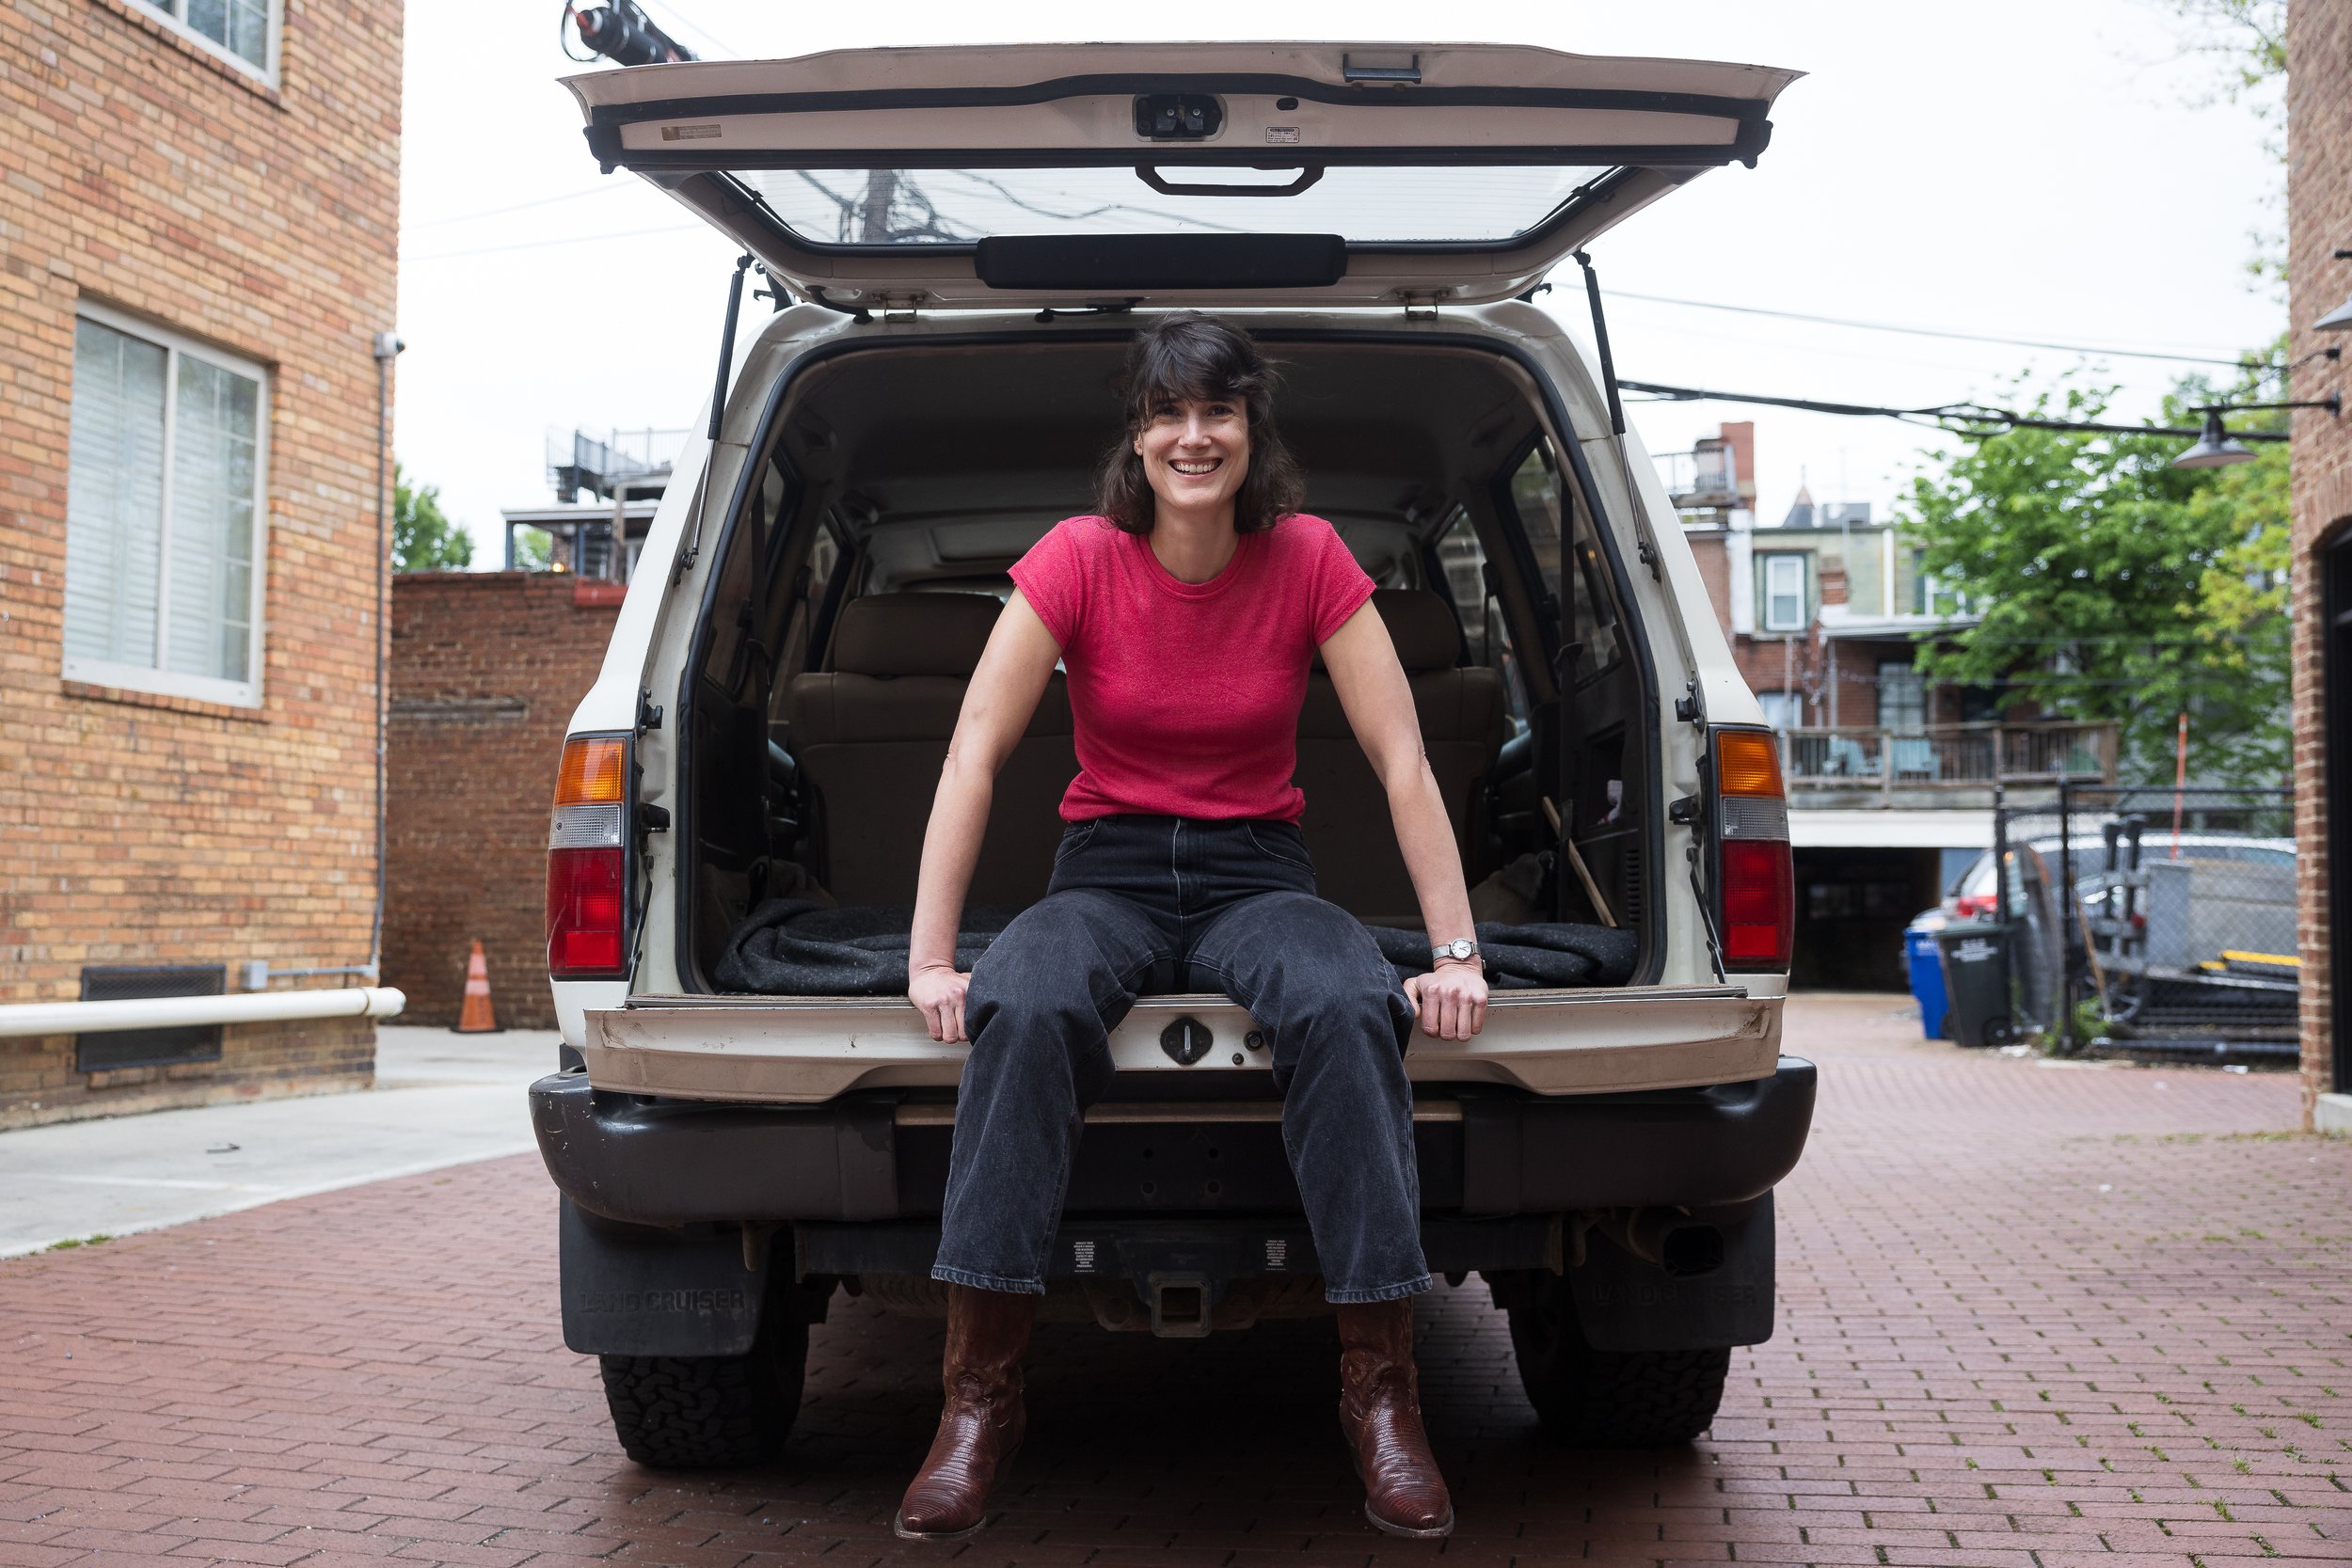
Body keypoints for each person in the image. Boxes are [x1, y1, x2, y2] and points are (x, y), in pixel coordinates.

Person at [894, 312, 1488, 1543]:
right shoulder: (1076, 557)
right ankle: (976, 1402)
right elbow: (973, 751)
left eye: (1217, 411)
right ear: (1138, 435)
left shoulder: (1310, 556)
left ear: (1250, 430)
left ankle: (1382, 1396)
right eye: (1168, 412)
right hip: (1104, 867)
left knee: (1343, 998)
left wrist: (1455, 954)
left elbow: (1402, 757)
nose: (1193, 435)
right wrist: (933, 958)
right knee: (1031, 994)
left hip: (1255, 870)